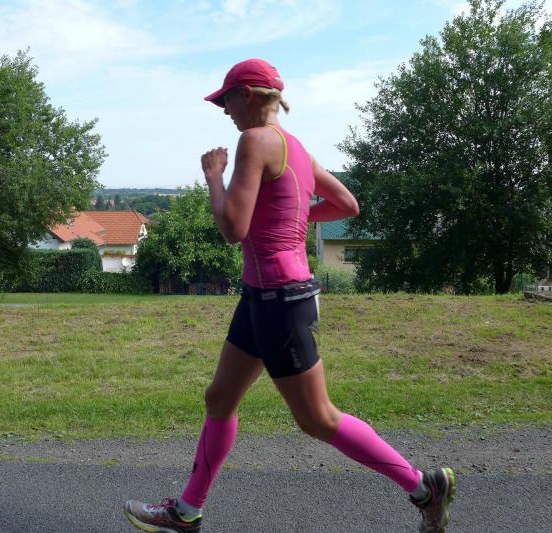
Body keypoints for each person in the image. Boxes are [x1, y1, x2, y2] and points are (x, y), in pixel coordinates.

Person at [123, 58, 455, 533]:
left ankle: (424, 487)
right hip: (260, 297)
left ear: (250, 96)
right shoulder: (297, 149)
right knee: (220, 398)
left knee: (318, 418)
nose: (225, 111)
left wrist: (214, 176)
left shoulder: (255, 141)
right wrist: (290, 212)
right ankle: (187, 511)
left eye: (227, 100)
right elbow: (346, 204)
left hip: (281, 300)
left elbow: (233, 230)